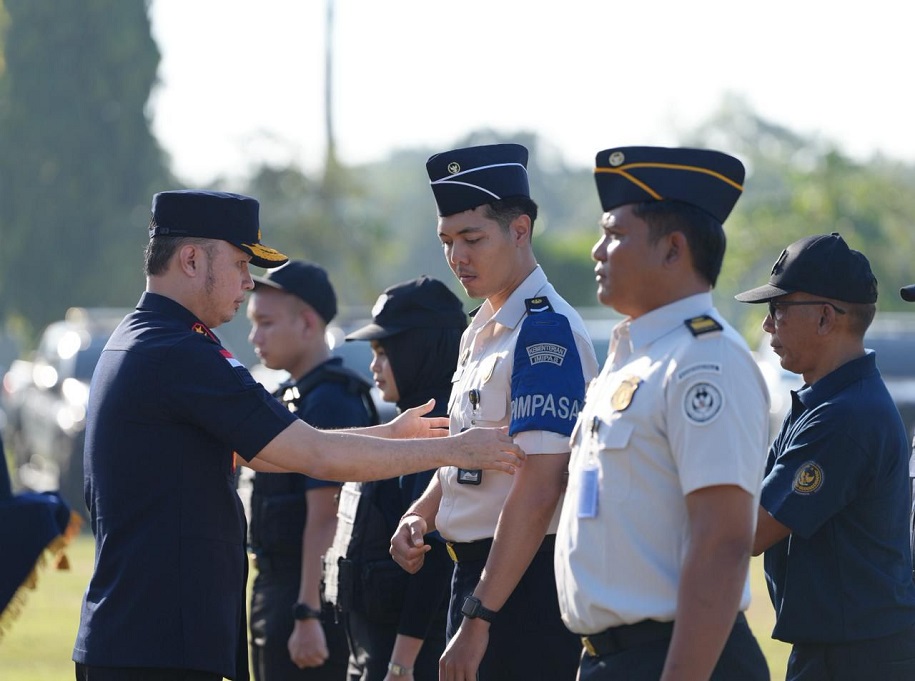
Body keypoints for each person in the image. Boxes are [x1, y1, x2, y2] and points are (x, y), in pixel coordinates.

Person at [71, 189, 525, 681]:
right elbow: (314, 454)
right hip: (156, 644)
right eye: (240, 263)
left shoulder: (148, 339)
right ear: (192, 259)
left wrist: (393, 434)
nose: (248, 281)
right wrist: (456, 449)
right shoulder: (178, 351)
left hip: (144, 635)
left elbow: (269, 452)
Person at [554, 146, 771, 681]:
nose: (597, 250)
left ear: (674, 249)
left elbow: (722, 542)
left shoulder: (704, 360)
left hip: (679, 657)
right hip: (616, 657)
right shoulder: (635, 356)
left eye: (615, 234)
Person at [390, 143, 599, 680]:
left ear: (520, 230)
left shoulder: (543, 331)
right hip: (480, 580)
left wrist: (479, 617)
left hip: (520, 588)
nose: (457, 256)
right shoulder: (484, 328)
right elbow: (475, 454)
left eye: (472, 238)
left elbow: (540, 485)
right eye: (447, 241)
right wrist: (422, 513)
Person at [736, 232, 915, 680]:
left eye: (779, 308)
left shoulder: (844, 416)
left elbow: (752, 530)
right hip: (846, 649)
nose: (768, 325)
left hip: (857, 658)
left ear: (824, 317)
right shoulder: (828, 402)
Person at [323, 276, 465, 680]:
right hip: (373, 643)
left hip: (409, 656)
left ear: (419, 350)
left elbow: (433, 561)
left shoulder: (439, 427)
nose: (374, 366)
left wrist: (401, 663)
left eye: (384, 352)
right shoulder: (405, 421)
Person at [246, 260, 377, 680]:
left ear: (306, 323)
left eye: (266, 323)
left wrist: (307, 612)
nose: (255, 337)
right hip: (281, 586)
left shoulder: (331, 401)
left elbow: (326, 516)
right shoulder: (294, 394)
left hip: (306, 594)